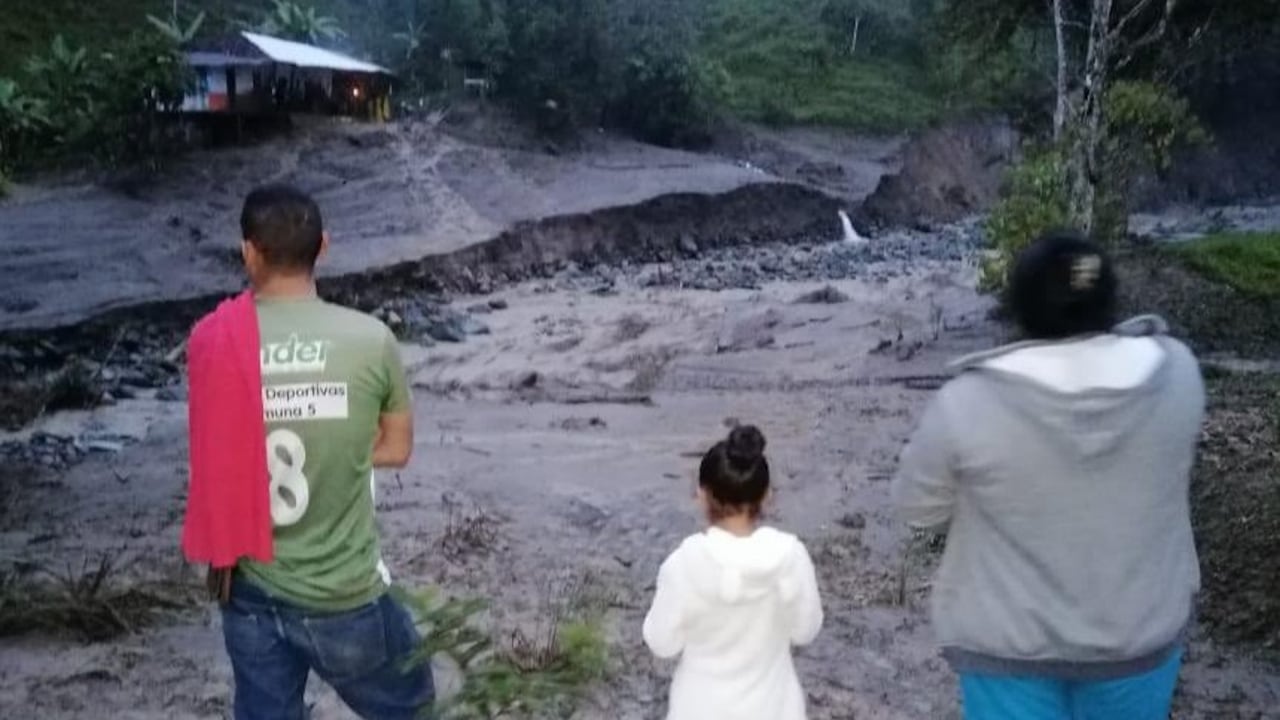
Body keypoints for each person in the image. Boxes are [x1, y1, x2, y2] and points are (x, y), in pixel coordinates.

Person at [892, 230, 1204, 720]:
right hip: (1141, 639)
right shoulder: (1180, 373)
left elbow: (917, 509)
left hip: (1008, 649)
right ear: (1109, 297)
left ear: (1020, 307)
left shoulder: (966, 402)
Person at [188, 185, 433, 720]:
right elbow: (396, 449)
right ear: (323, 246)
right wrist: (338, 444)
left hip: (247, 588)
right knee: (411, 705)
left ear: (248, 251)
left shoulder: (210, 340)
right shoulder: (371, 339)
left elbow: (216, 451)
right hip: (342, 591)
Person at [643, 425, 824, 720]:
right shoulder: (791, 557)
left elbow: (661, 644)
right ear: (766, 496)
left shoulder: (683, 564)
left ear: (702, 495)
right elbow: (805, 631)